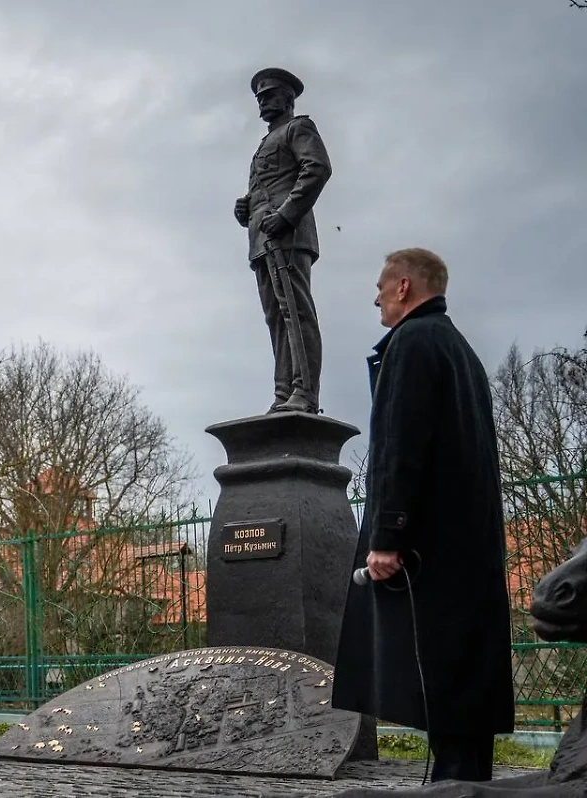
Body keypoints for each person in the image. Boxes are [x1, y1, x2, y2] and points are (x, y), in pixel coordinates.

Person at [331, 248, 514, 782]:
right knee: (462, 690)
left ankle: (453, 789)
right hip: (465, 547)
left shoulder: (410, 344)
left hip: (425, 550)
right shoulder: (459, 349)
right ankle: (463, 783)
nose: (376, 297)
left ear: (405, 287)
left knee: (437, 680)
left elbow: (399, 447)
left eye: (382, 287)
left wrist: (387, 536)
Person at [234, 67, 332, 414]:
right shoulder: (264, 144)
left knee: (296, 313)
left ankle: (305, 393)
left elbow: (317, 168)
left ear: (288, 98)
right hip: (262, 240)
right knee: (276, 318)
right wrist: (246, 207)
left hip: (287, 236)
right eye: (259, 97)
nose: (262, 101)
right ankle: (283, 393)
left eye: (269, 94)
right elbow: (266, 187)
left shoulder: (298, 128)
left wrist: (287, 214)